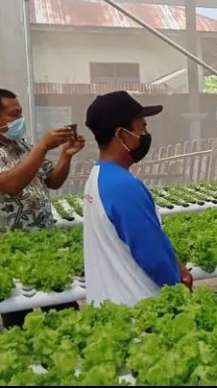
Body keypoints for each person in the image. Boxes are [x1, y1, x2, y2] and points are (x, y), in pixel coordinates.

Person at [0, 88, 85, 328]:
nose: (20, 120)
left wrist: (66, 155)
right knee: (19, 317)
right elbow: (10, 184)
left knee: (63, 310)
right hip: (6, 249)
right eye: (13, 114)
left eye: (20, 113)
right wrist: (43, 147)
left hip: (42, 244)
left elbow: (52, 180)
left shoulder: (23, 146)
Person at [82, 91, 192, 307]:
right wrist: (178, 284)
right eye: (142, 128)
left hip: (112, 304)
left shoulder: (100, 176)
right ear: (121, 135)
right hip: (137, 309)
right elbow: (152, 254)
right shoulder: (122, 186)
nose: (145, 135)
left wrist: (175, 262)